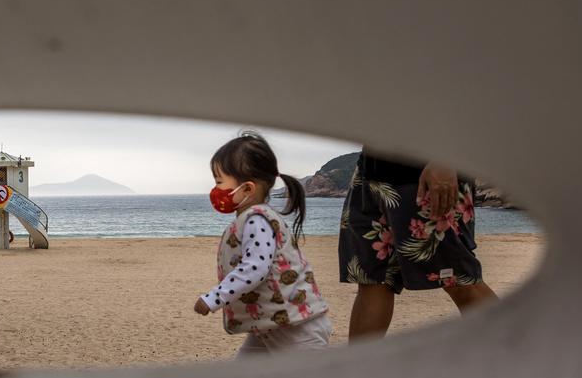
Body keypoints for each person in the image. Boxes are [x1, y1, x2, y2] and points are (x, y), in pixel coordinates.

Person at [194, 132, 332, 357]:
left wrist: (214, 298)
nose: (216, 189)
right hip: (271, 322)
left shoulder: (257, 220)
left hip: (296, 329)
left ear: (247, 189)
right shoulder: (252, 218)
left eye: (220, 182)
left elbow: (255, 268)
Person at [338, 150, 497, 340]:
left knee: (460, 280)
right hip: (370, 173)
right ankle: (359, 368)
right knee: (372, 281)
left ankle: (521, 353)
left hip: (425, 172)